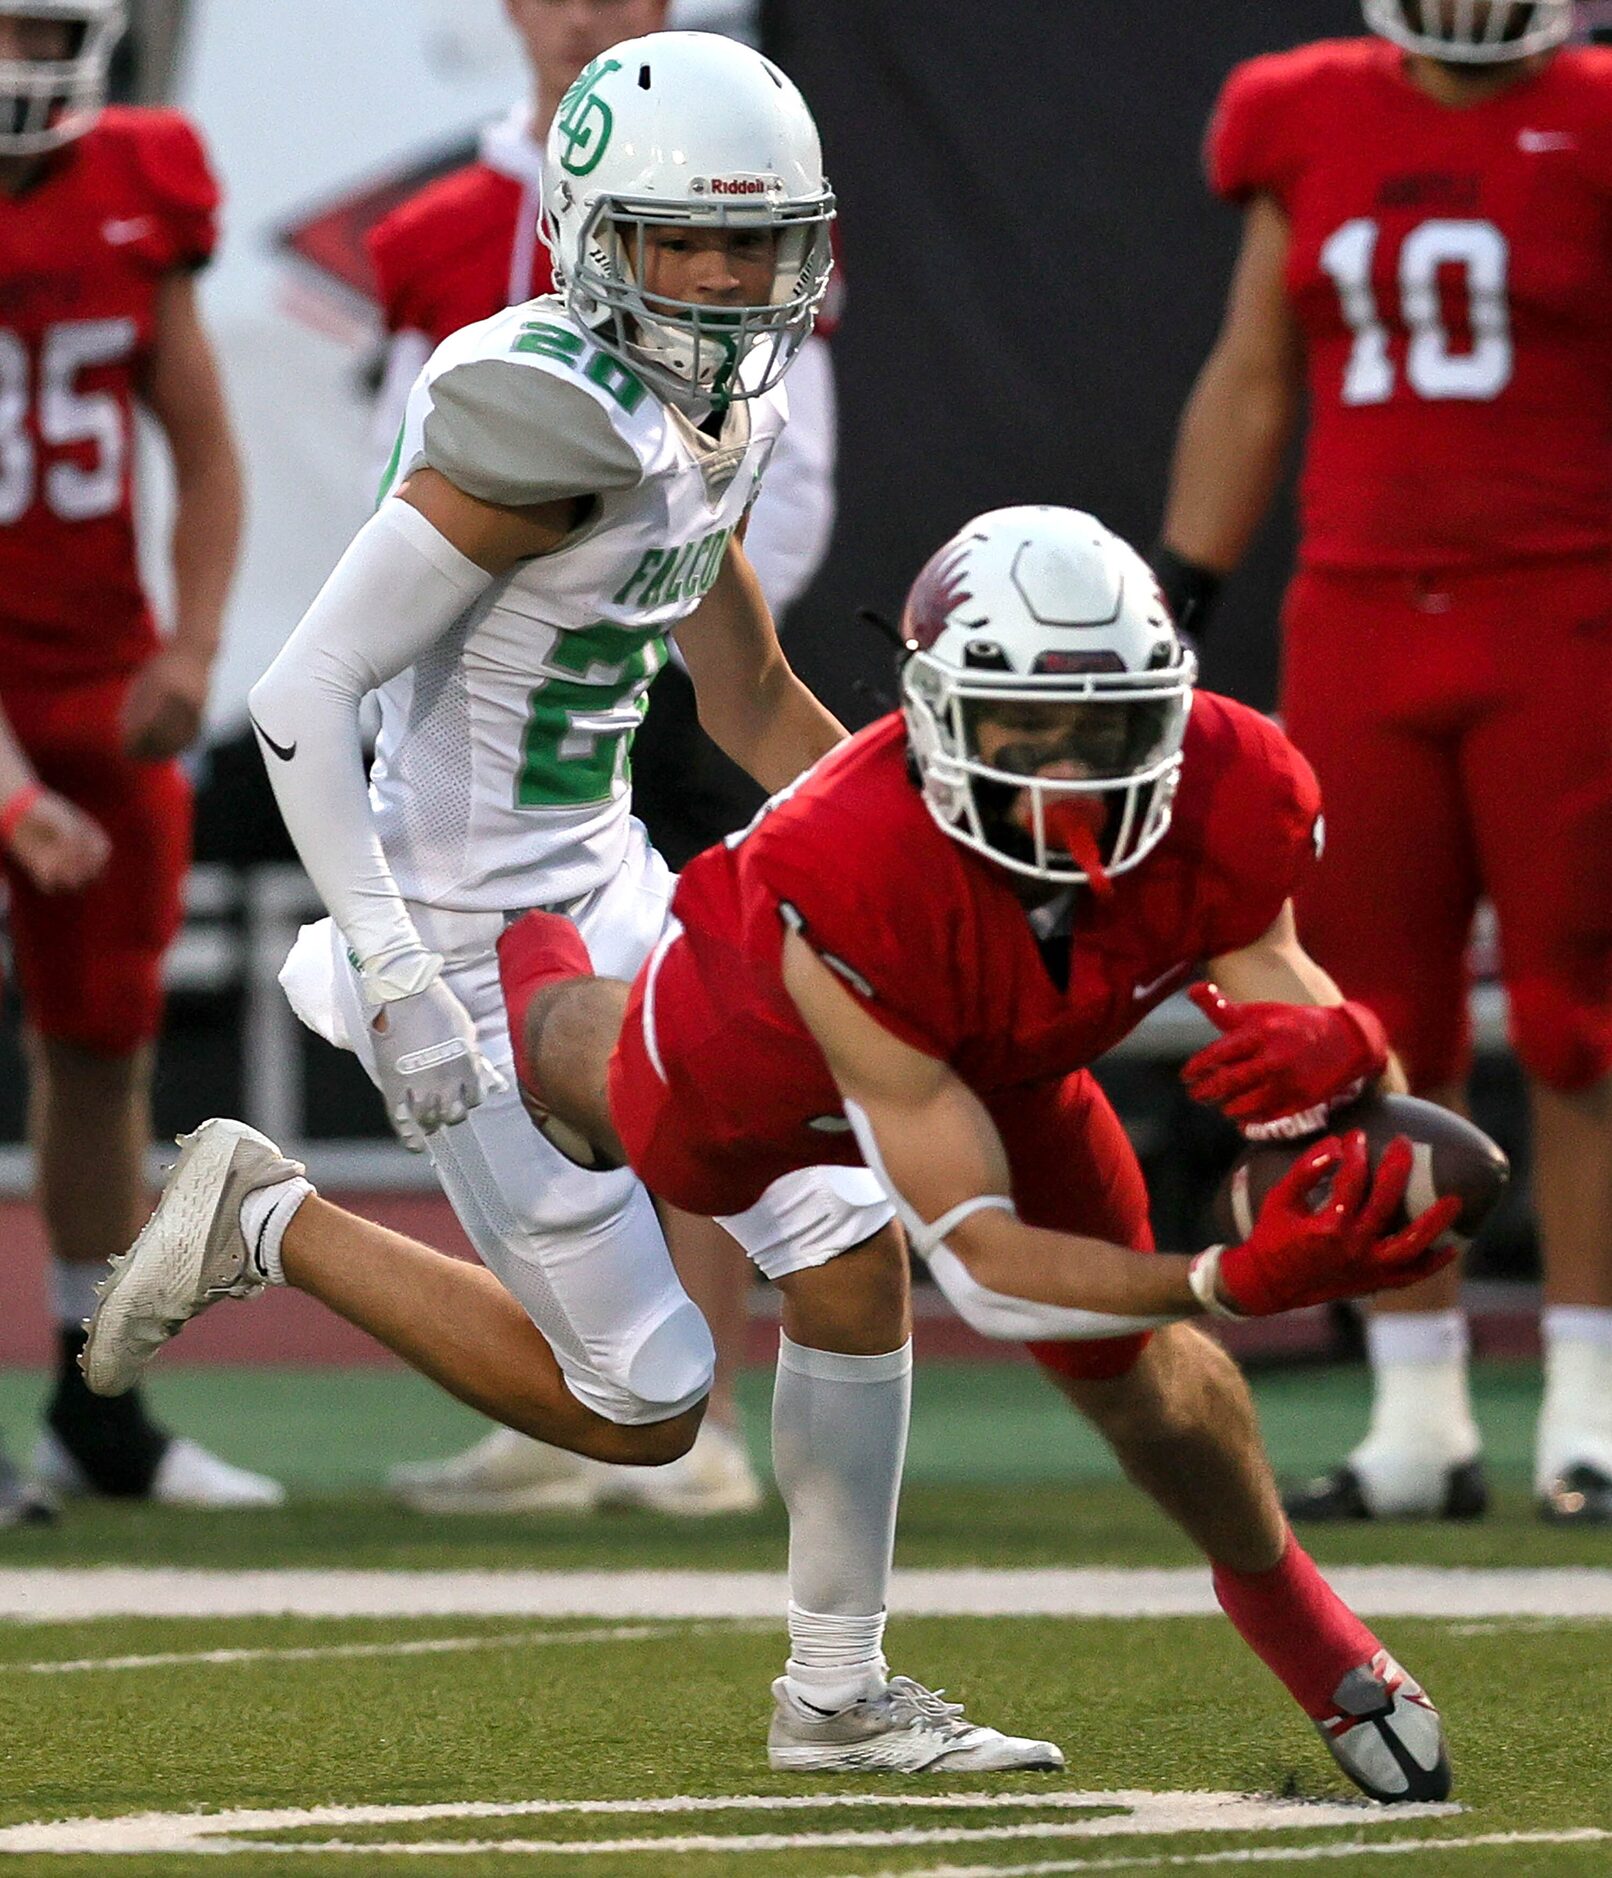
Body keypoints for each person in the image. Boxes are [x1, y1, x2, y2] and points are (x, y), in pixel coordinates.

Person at [88, 507, 1460, 1800]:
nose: (1071, 778)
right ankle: (518, 968)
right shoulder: (844, 874)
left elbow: (1281, 975)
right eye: (1028, 730)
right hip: (778, 1028)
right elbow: (980, 1267)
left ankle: (1286, 1624)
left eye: (1109, 730)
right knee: (649, 1218)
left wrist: (1351, 1071)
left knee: (1145, 1385)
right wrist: (1222, 1273)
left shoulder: (1231, 780)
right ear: (936, 721)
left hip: (1011, 1044)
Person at [363, 0, 842, 1517]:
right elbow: (383, 530)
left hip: (652, 688)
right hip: (501, 757)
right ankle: (599, 1382)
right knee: (607, 1081)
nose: (583, 10)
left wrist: (642, 571)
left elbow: (770, 507)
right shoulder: (448, 227)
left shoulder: (741, 212)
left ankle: (696, 1416)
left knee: (720, 1063)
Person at [1155, 0, 1612, 1523]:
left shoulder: (1597, 112)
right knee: (1360, 1014)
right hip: (1360, 607)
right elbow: (1254, 366)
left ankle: (1588, 1392)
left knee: (1577, 1011)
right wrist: (1185, 590)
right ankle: (1417, 1409)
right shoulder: (1303, 109)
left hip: (1569, 600)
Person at [0, 0, 275, 1516]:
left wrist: (190, 646)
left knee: (100, 1046)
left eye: (39, 31)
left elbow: (206, 445)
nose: (13, 68)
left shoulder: (140, 180)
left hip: (91, 679)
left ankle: (92, 1404)